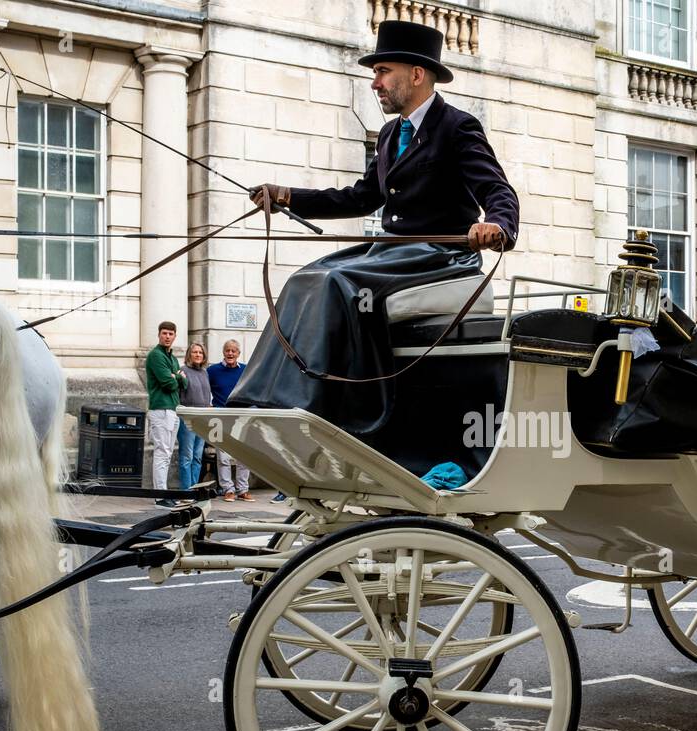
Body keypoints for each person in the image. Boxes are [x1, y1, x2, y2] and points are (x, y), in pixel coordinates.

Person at [237, 19, 519, 433]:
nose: (375, 83)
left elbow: (498, 190)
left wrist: (497, 224)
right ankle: (265, 396)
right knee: (306, 277)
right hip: (390, 254)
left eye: (383, 71)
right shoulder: (389, 135)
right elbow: (359, 197)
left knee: (337, 283)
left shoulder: (457, 127)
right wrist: (287, 196)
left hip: (439, 257)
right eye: (376, 73)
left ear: (417, 75)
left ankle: (332, 404)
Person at [145, 320, 187, 508]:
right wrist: (177, 376)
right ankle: (160, 496)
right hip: (160, 409)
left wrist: (176, 377)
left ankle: (164, 493)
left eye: (171, 334)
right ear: (159, 335)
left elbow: (185, 384)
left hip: (172, 408)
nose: (167, 336)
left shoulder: (173, 358)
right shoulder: (156, 355)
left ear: (175, 336)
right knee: (162, 452)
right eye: (164, 333)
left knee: (168, 453)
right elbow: (168, 383)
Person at [206, 339, 253, 501]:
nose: (230, 353)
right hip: (220, 417)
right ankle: (228, 489)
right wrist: (208, 405)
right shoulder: (213, 370)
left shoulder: (246, 370)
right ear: (223, 353)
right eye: (227, 350)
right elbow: (205, 389)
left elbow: (251, 390)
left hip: (241, 417)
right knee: (223, 456)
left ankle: (243, 489)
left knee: (244, 455)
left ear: (238, 353)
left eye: (234, 351)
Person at [176, 341, 212, 498]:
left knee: (197, 457)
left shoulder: (204, 372)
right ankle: (186, 491)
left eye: (200, 353)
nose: (198, 355)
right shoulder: (183, 371)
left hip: (202, 419)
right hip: (188, 419)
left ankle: (195, 490)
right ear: (189, 355)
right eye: (195, 352)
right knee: (187, 457)